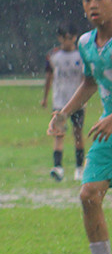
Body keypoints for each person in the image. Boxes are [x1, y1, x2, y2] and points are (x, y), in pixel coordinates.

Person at [48, 0, 112, 254]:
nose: (92, 5)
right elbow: (89, 82)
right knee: (89, 195)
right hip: (107, 130)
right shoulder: (87, 43)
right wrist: (63, 113)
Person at [42, 24, 85, 181]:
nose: (68, 41)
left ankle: (79, 168)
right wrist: (45, 97)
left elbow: (86, 79)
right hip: (60, 102)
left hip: (77, 101)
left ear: (75, 37)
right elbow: (49, 77)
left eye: (71, 38)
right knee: (59, 133)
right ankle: (58, 167)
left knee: (78, 133)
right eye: (65, 38)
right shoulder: (53, 56)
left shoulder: (81, 55)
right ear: (60, 38)